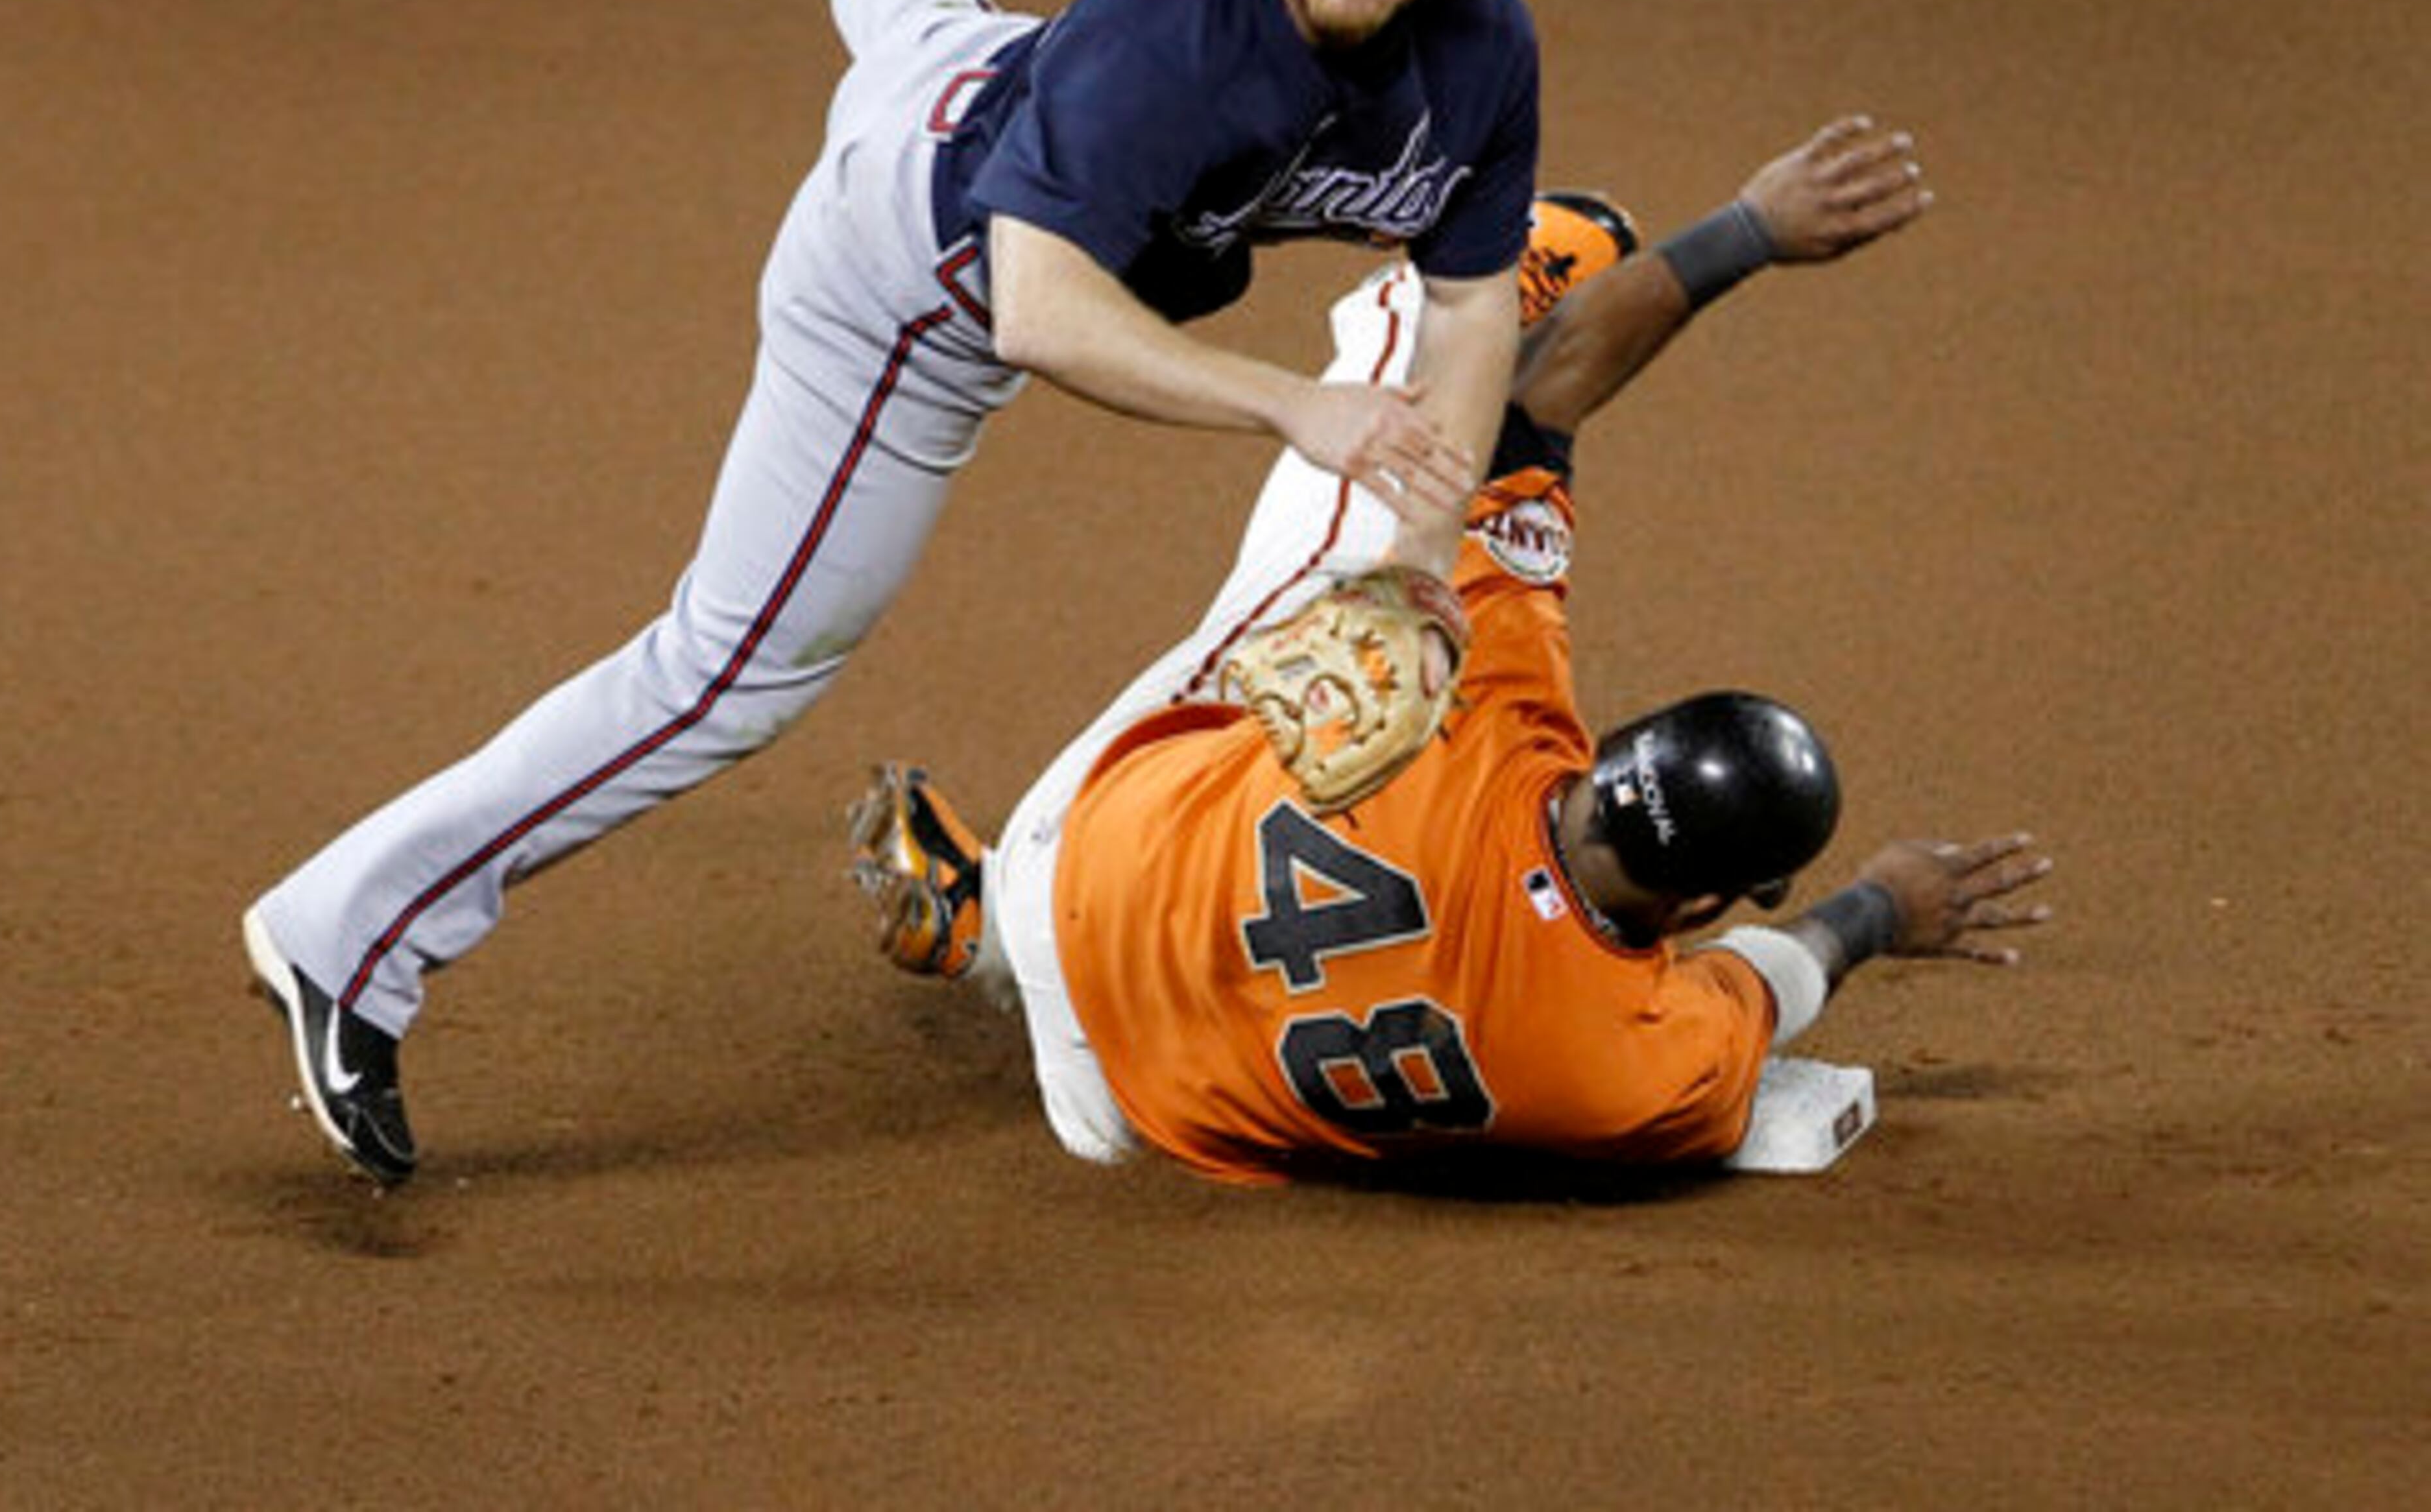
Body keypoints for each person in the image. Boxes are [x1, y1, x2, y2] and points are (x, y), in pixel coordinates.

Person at [243, 0, 1541, 1186]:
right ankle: (350, 934)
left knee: (935, 43)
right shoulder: (1170, 41)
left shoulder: (1483, 52)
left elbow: (1476, 295)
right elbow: (1043, 315)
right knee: (725, 672)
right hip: (902, 277)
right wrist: (1293, 407)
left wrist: (1426, 561)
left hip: (983, 79)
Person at [851, 120, 2057, 1183]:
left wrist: (1746, 229)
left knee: (1380, 550)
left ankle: (1433, 300)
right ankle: (984, 933)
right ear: (1701, 900)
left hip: (1083, 868)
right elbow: (1776, 976)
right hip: (1123, 1110)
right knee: (1362, 646)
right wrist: (1882, 913)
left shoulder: (1486, 705)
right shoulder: (1638, 1076)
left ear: (1614, 753)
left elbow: (1531, 405)